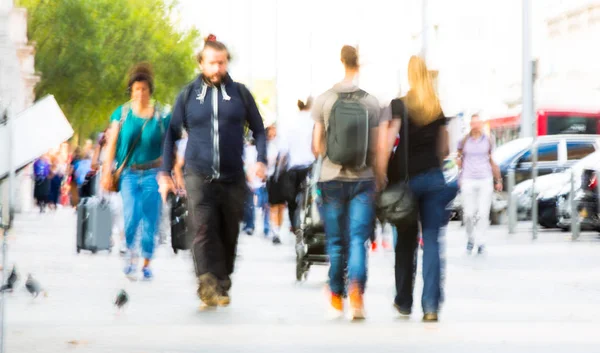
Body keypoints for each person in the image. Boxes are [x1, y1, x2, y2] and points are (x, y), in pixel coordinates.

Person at [159, 37, 267, 309]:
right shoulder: (187, 95)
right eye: (212, 63)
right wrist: (164, 172)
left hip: (233, 176)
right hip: (198, 174)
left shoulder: (240, 94)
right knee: (203, 228)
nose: (218, 68)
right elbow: (171, 134)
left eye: (222, 63)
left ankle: (222, 280)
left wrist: (262, 160)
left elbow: (259, 130)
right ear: (201, 63)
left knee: (229, 230)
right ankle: (206, 282)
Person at [377, 55, 456, 322]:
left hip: (407, 183)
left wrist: (380, 174)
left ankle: (403, 302)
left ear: (409, 76)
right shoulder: (436, 107)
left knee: (405, 243)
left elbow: (388, 143)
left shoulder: (399, 105)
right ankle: (431, 306)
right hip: (434, 179)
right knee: (433, 241)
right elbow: (445, 149)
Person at [312, 45, 382, 320]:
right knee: (357, 241)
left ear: (339, 62)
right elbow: (375, 147)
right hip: (363, 179)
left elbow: (317, 146)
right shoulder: (371, 101)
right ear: (358, 65)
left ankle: (336, 298)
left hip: (331, 179)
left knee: (336, 242)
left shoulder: (325, 99)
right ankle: (356, 297)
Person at [101, 63, 171, 281]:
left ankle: (147, 262)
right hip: (129, 174)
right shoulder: (121, 114)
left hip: (152, 173)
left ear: (150, 91)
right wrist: (106, 171)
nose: (140, 93)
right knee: (131, 216)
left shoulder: (161, 116)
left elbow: (170, 145)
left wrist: (171, 172)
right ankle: (130, 254)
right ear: (131, 91)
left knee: (151, 219)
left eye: (144, 89)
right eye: (136, 89)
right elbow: (112, 144)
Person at [456, 113, 502, 255]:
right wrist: (459, 173)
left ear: (481, 125)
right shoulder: (464, 140)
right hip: (468, 179)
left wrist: (498, 179)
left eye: (478, 123)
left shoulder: (488, 140)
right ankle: (471, 239)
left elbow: (491, 159)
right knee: (468, 214)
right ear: (471, 125)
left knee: (483, 213)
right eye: (473, 123)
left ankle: (481, 242)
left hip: (485, 179)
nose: (476, 125)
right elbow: (458, 158)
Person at [278, 98, 316, 234]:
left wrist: (279, 171)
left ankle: (295, 227)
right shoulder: (314, 122)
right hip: (311, 166)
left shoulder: (290, 123)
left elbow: (283, 151)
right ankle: (309, 224)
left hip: (293, 168)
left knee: (292, 200)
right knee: (312, 197)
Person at [266, 125, 286, 245]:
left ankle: (278, 229)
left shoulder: (280, 143)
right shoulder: (267, 145)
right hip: (272, 177)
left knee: (281, 206)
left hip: (281, 177)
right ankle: (275, 231)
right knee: (274, 206)